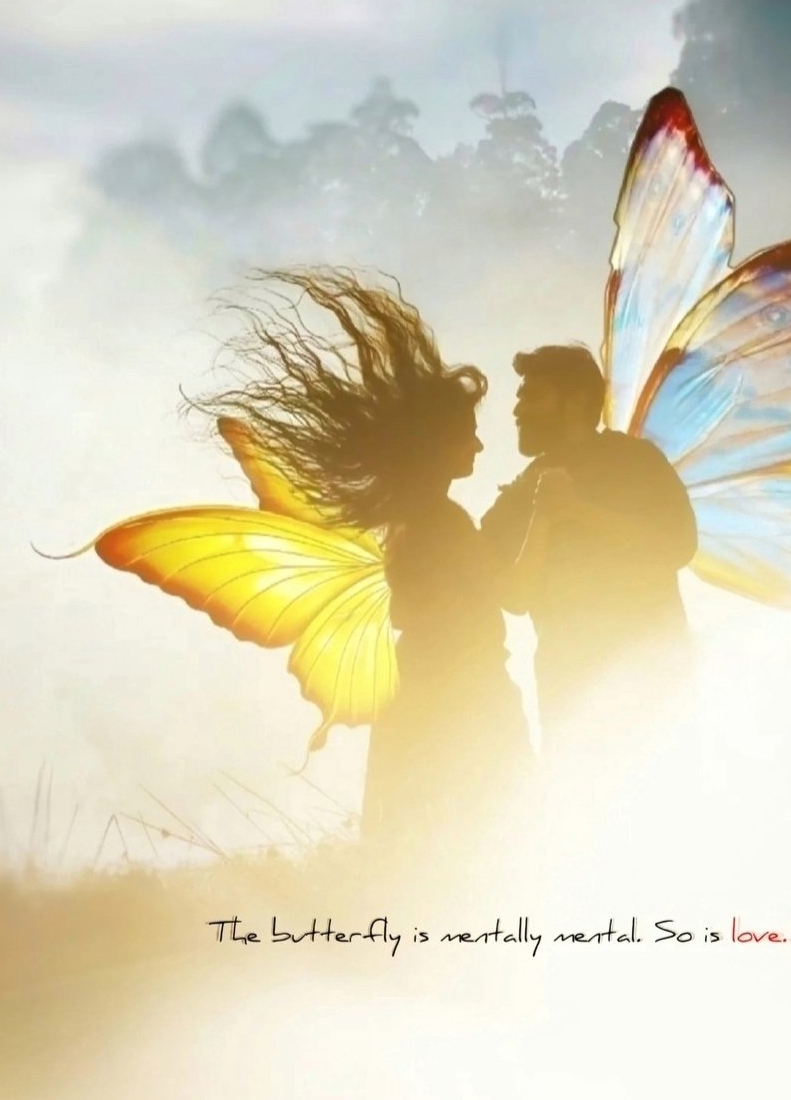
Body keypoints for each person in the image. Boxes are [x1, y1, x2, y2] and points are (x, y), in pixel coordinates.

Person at [208, 268, 529, 859]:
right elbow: (499, 593)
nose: (480, 445)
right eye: (468, 434)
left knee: (417, 838)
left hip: (421, 689)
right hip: (462, 693)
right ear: (436, 443)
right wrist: (545, 520)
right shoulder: (440, 521)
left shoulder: (412, 517)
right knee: (492, 834)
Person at [480, 343, 697, 753]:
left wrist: (580, 512)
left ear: (577, 400)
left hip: (654, 687)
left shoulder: (634, 460)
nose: (517, 410)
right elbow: (511, 596)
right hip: (569, 698)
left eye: (532, 395)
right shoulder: (517, 496)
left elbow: (679, 544)